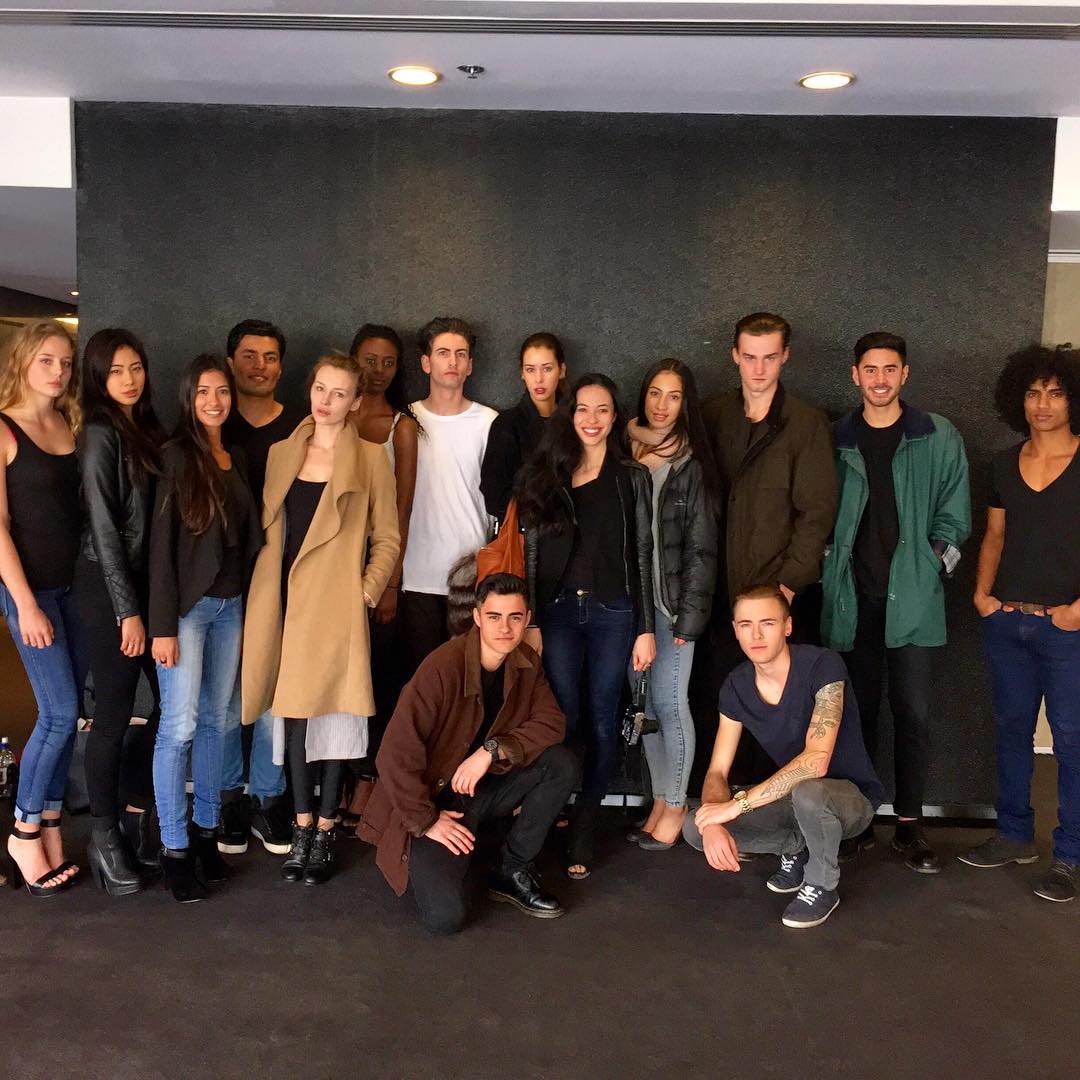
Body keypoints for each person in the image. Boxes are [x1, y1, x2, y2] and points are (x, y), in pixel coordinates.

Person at [242, 353, 399, 885]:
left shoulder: (371, 458)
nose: (325, 401)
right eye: (319, 389)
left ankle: (326, 829)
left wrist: (365, 593)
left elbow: (388, 537)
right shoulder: (282, 452)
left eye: (338, 393)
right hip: (284, 604)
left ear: (355, 402)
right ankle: (302, 824)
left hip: (336, 608)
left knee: (337, 717)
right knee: (292, 715)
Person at [821, 332, 970, 874]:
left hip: (913, 600)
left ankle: (910, 826)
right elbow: (814, 508)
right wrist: (824, 560)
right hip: (850, 599)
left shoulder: (937, 435)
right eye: (870, 369)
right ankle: (857, 823)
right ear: (855, 375)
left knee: (914, 715)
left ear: (905, 374)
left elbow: (956, 515)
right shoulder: (835, 439)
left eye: (890, 369)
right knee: (853, 717)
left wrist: (933, 565)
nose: (880, 379)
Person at [358, 573, 576, 934]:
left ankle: (511, 869)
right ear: (477, 617)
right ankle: (444, 851)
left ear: (526, 618)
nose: (504, 628)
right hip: (436, 801)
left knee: (561, 763)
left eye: (514, 617)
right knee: (446, 919)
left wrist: (491, 751)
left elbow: (552, 723)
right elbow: (393, 755)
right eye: (494, 616)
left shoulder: (525, 662)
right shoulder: (442, 667)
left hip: (485, 787)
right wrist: (427, 821)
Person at [517, 373, 656, 878]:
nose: (591, 420)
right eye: (582, 409)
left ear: (615, 417)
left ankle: (585, 823)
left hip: (612, 613)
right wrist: (531, 619)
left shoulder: (631, 477)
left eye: (602, 410)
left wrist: (645, 627)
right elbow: (532, 553)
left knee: (602, 720)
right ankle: (550, 809)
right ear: (569, 415)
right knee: (563, 718)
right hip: (556, 614)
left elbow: (642, 554)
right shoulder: (547, 473)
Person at [684, 586, 884, 929]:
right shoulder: (735, 685)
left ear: (787, 627)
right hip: (794, 800)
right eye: (746, 625)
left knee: (810, 791)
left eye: (767, 623)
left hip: (850, 801)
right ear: (735, 631)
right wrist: (714, 821)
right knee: (695, 825)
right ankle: (796, 847)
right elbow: (717, 770)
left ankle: (821, 884)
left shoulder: (823, 665)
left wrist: (737, 805)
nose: (756, 635)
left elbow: (816, 762)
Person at [960, 345, 1080, 903]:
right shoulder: (1003, 464)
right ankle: (1013, 834)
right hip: (1008, 623)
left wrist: (1078, 611)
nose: (1043, 404)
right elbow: (995, 535)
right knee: (1011, 731)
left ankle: (1069, 855)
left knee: (1071, 741)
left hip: (1068, 630)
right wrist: (982, 595)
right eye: (1033, 393)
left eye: (1055, 393)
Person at [698, 312, 838, 791]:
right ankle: (725, 806)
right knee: (722, 700)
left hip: (780, 595)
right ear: (735, 356)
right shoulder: (713, 417)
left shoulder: (806, 422)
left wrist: (787, 587)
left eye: (770, 358)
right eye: (750, 357)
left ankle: (777, 809)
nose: (759, 369)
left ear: (785, 357)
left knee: (782, 710)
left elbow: (817, 512)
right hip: (720, 595)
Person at [149, 353, 262, 902]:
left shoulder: (236, 456)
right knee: (179, 727)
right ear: (188, 398)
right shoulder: (175, 456)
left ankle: (205, 835)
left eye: (222, 391)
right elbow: (161, 549)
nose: (214, 401)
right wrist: (162, 625)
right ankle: (174, 848)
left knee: (219, 722)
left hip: (232, 606)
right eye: (203, 392)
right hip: (187, 612)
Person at [75, 328, 168, 894]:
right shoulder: (98, 433)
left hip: (145, 586)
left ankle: (139, 812)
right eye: (115, 371)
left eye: (136, 367)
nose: (129, 379)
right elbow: (106, 531)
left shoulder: (148, 430)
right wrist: (126, 612)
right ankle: (104, 836)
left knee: (172, 707)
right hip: (106, 586)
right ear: (97, 377)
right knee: (111, 715)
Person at [0, 320, 85, 897]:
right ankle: (23, 831)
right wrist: (26, 605)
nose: (58, 371)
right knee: (58, 712)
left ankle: (51, 823)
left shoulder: (68, 422)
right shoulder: (3, 428)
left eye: (66, 362)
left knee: (68, 715)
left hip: (75, 589)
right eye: (46, 360)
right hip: (30, 593)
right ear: (24, 361)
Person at [626, 359, 719, 850]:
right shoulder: (625, 451)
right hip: (631, 607)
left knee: (670, 702)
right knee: (645, 709)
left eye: (674, 396)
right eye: (655, 393)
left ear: (686, 404)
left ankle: (678, 802)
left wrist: (690, 617)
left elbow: (702, 547)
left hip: (671, 606)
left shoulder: (690, 464)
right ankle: (661, 798)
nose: (662, 406)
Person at [218, 319, 299, 858]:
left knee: (274, 692)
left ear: (281, 367)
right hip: (221, 580)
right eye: (249, 355)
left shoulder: (300, 428)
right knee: (225, 696)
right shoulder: (213, 423)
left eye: (270, 357)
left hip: (283, 578)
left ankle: (268, 798)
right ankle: (229, 798)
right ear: (231, 363)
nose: (260, 366)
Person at [399, 317, 497, 676]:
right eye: (443, 353)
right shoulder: (405, 421)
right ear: (426, 363)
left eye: (460, 354)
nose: (452, 361)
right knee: (421, 681)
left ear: (470, 365)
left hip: (471, 576)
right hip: (416, 574)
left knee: (468, 680)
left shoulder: (489, 422)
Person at [346, 323, 419, 790]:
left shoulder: (401, 427)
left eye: (388, 362)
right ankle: (333, 785)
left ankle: (368, 785)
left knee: (375, 677)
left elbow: (402, 508)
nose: (378, 370)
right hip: (332, 566)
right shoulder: (331, 415)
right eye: (369, 360)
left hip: (378, 565)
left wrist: (391, 581)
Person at [480, 332, 566, 524]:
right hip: (527, 534)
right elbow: (493, 495)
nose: (538, 379)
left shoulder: (577, 421)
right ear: (522, 373)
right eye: (530, 370)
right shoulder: (507, 424)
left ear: (561, 370)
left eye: (547, 369)